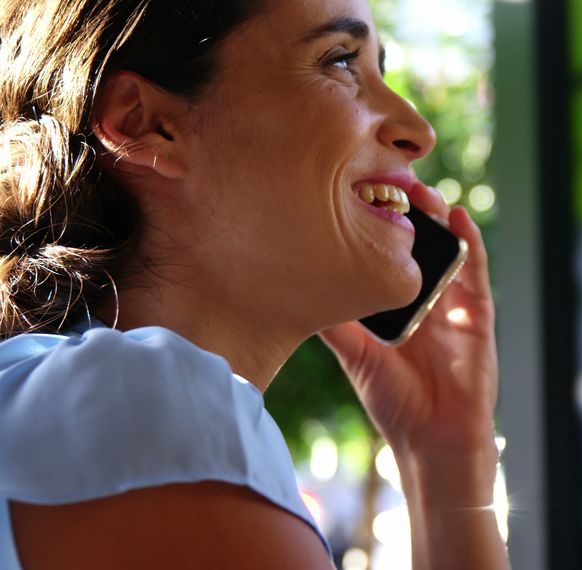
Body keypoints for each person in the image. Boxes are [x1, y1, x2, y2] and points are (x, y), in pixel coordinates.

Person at [0, 0, 508, 568]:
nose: (419, 131)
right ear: (145, 123)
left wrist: (444, 456)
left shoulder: (68, 401)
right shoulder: (150, 405)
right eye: (341, 61)